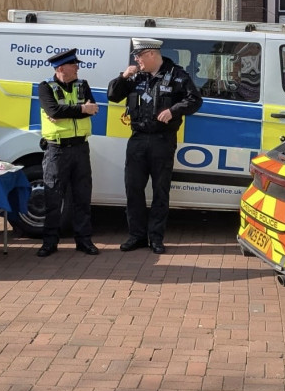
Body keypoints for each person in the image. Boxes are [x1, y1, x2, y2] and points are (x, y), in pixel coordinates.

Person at [108, 38, 202, 254]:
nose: (136, 60)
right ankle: (136, 236)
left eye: (139, 56)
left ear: (151, 54)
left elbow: (195, 100)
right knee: (133, 189)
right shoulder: (136, 76)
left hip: (162, 140)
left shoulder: (177, 75)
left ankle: (156, 238)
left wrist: (174, 111)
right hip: (138, 139)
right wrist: (124, 76)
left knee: (160, 192)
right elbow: (113, 96)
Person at [36, 48, 99, 257]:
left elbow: (94, 108)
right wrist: (81, 110)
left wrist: (69, 113)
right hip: (57, 149)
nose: (78, 67)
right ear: (61, 68)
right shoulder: (45, 87)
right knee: (53, 197)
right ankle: (49, 242)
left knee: (82, 196)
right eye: (74, 65)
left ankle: (84, 241)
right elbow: (54, 111)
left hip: (81, 148)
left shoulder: (83, 84)